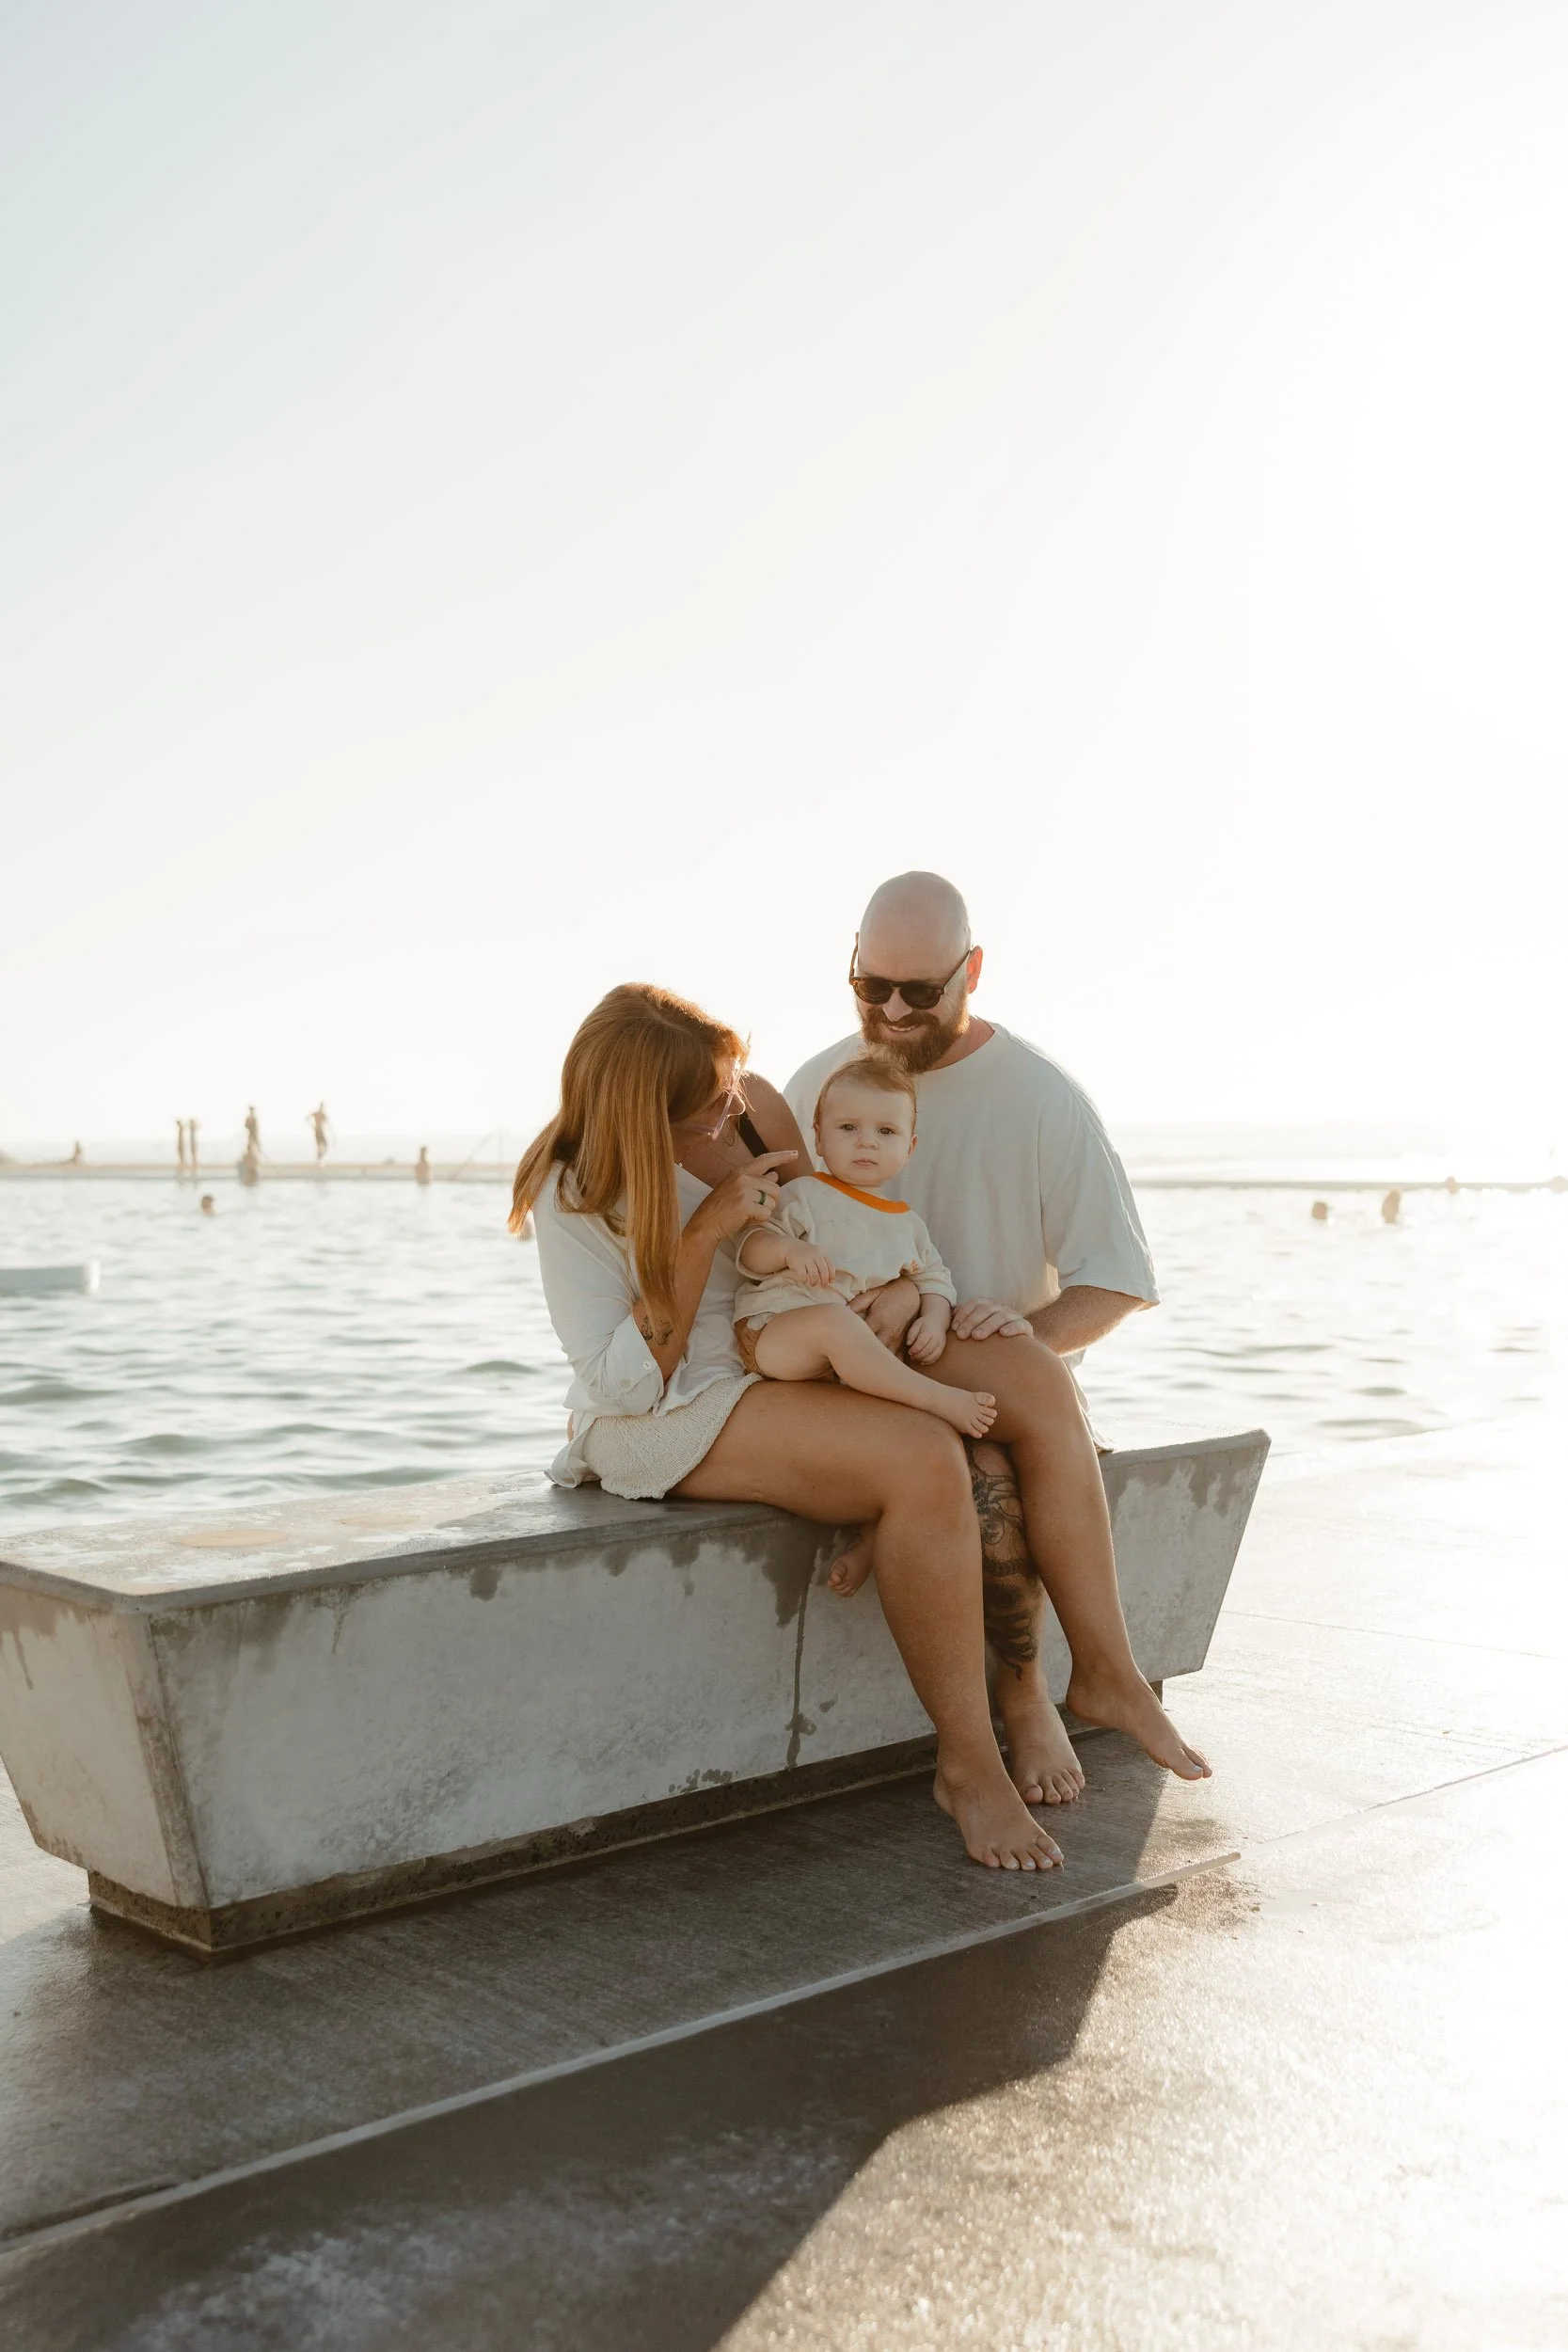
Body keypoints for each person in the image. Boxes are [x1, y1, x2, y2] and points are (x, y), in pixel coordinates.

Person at [516, 982, 1066, 1872]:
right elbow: (620, 1385)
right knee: (927, 1452)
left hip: (780, 1352)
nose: (735, 1108)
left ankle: (1046, 1689)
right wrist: (704, 1234)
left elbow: (838, 1230)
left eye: (731, 1084)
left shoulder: (750, 1109)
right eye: (708, 1104)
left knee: (993, 1424)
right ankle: (968, 1769)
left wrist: (898, 1291)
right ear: (644, 1114)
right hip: (670, 1410)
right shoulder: (572, 1190)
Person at [786, 872, 1209, 1801]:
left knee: (997, 1430)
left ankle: (1062, 1691)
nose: (892, 1011)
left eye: (919, 990)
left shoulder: (1041, 1098)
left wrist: (1023, 1331)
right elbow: (771, 1250)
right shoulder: (818, 1086)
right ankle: (1033, 1699)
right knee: (965, 1446)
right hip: (853, 1381)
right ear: (851, 968)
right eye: (871, 987)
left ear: (971, 970)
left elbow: (1116, 1281)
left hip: (1003, 1378)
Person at [734, 1055, 998, 1439]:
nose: (867, 1142)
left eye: (886, 1132)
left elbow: (934, 1279)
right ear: (819, 1138)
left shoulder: (908, 1225)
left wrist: (934, 1321)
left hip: (848, 1355)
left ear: (910, 1146)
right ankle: (933, 1399)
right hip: (774, 1333)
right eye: (848, 1127)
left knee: (847, 1329)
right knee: (836, 1322)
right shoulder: (805, 1195)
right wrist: (789, 1250)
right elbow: (749, 1248)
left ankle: (896, 1399)